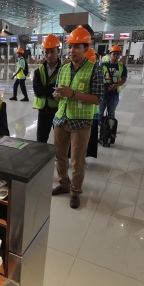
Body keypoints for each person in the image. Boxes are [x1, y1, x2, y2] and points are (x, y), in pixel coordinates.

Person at [51, 27, 104, 209]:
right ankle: (63, 184)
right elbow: (57, 91)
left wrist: (73, 93)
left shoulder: (94, 69)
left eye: (76, 47)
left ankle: (75, 191)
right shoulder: (64, 67)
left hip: (81, 122)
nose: (72, 51)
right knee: (59, 156)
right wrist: (57, 94)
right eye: (70, 47)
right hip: (61, 119)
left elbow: (98, 98)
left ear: (86, 49)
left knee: (77, 160)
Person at [32, 34, 62, 143]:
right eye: (46, 52)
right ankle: (40, 159)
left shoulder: (64, 69)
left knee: (60, 139)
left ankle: (60, 160)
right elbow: (37, 91)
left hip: (59, 109)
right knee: (41, 138)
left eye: (52, 51)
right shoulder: (38, 71)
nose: (49, 55)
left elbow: (63, 90)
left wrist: (46, 90)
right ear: (43, 53)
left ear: (58, 51)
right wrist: (53, 88)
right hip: (43, 110)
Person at [99, 45, 127, 119]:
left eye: (118, 54)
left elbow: (124, 79)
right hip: (103, 92)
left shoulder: (122, 66)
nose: (116, 56)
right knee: (99, 112)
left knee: (111, 113)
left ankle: (110, 129)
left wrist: (117, 85)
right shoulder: (103, 65)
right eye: (114, 54)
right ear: (110, 54)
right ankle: (100, 128)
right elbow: (97, 78)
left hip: (114, 94)